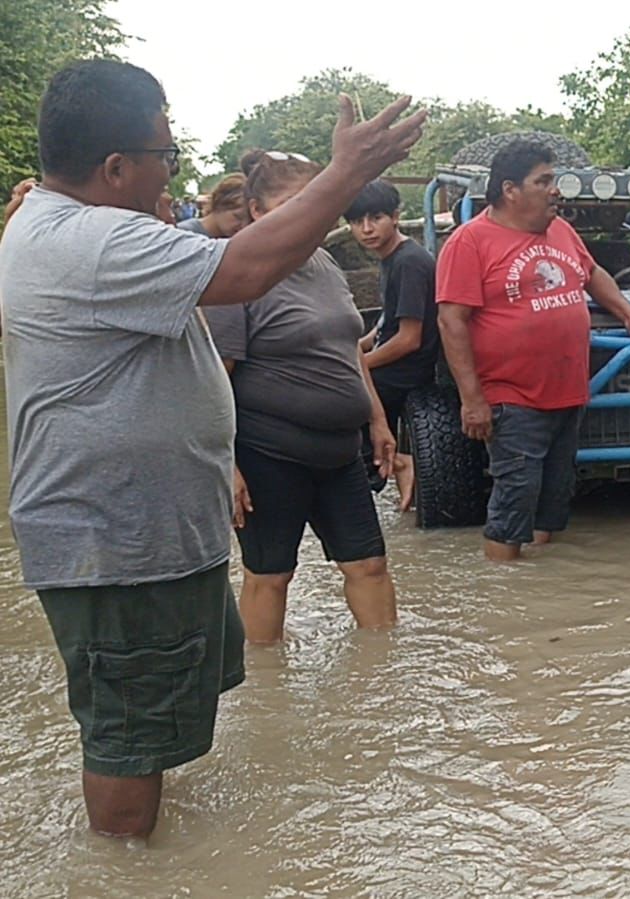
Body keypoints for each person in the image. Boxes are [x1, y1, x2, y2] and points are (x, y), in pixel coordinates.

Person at [0, 59, 423, 839]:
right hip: (116, 541)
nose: (174, 173)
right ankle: (124, 873)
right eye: (166, 155)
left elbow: (228, 247)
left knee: (150, 723)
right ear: (117, 167)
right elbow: (249, 266)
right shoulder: (90, 240)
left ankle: (159, 859)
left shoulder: (68, 226)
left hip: (141, 534)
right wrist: (346, 172)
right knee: (127, 739)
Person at [208, 152, 401, 645]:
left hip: (340, 451)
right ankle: (267, 693)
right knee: (271, 575)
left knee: (370, 564)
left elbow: (348, 350)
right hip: (267, 452)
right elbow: (211, 379)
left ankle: (382, 675)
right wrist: (224, 465)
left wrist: (377, 422)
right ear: (255, 210)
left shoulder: (326, 264)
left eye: (319, 203)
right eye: (293, 204)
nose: (308, 215)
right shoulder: (237, 272)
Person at [437, 140, 630, 561]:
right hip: (513, 397)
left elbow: (592, 274)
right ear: (510, 190)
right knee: (514, 499)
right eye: (544, 181)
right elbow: (452, 321)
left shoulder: (560, 229)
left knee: (551, 503)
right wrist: (472, 400)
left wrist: (627, 312)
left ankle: (538, 589)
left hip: (567, 393)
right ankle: (504, 591)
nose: (555, 190)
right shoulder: (470, 242)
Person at [346, 178, 439, 511]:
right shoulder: (391, 258)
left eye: (376, 218)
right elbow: (388, 324)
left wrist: (359, 365)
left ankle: (398, 460)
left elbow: (409, 339)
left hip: (407, 371)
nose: (367, 229)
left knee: (338, 406)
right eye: (358, 222)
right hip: (393, 362)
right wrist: (357, 346)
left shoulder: (409, 262)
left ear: (395, 217)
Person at [178, 173, 248, 238]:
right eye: (238, 217)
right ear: (220, 204)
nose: (243, 226)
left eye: (248, 223)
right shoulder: (184, 233)